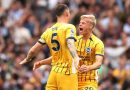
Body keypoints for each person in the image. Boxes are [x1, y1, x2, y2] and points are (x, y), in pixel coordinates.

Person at [33, 14, 104, 90]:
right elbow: (60, 58)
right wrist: (41, 63)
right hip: (72, 80)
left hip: (88, 82)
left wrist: (88, 67)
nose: (80, 24)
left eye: (83, 23)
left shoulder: (98, 43)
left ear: (90, 26)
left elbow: (98, 63)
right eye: (80, 22)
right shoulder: (74, 41)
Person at [20, 4, 80, 90]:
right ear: (67, 13)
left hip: (54, 73)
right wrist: (76, 57)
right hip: (67, 72)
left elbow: (33, 50)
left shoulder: (48, 31)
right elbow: (70, 42)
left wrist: (27, 58)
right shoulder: (69, 27)